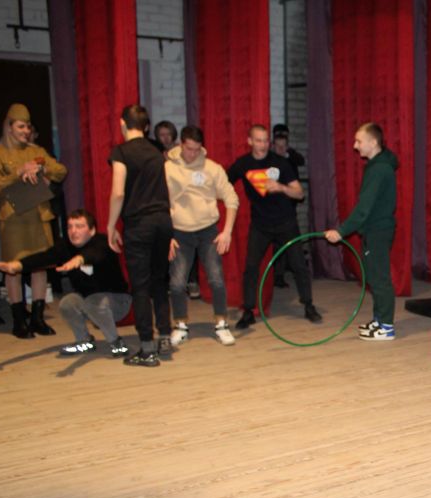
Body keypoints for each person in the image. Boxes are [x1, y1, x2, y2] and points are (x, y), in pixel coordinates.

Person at [0, 209, 130, 357]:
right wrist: (16, 265)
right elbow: (43, 258)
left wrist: (79, 260)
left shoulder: (102, 242)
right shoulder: (66, 247)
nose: (73, 231)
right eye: (70, 227)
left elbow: (95, 254)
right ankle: (84, 341)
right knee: (67, 303)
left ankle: (117, 343)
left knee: (93, 302)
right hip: (88, 300)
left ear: (92, 230)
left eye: (79, 226)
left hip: (118, 301)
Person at [228, 124, 321, 329]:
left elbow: (300, 193)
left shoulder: (280, 163)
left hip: (286, 222)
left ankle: (308, 305)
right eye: (258, 140)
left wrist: (280, 187)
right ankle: (248, 311)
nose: (263, 145)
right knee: (251, 267)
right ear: (250, 141)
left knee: (298, 265)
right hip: (260, 225)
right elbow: (224, 182)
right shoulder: (243, 164)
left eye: (265, 141)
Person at [107, 103, 176, 367]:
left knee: (140, 286)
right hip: (163, 221)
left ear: (122, 124)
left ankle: (147, 349)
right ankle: (165, 336)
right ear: (146, 127)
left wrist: (110, 225)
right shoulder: (157, 152)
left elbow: (118, 193)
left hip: (139, 224)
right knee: (159, 280)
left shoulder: (121, 152)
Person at [0, 103, 68, 338]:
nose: (26, 131)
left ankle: (37, 318)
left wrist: (42, 168)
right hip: (13, 219)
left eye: (28, 126)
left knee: (39, 266)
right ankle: (18, 320)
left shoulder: (36, 151)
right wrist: (18, 172)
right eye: (21, 126)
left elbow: (61, 171)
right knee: (13, 268)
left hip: (39, 216)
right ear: (9, 127)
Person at [165, 125, 239, 347]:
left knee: (216, 278)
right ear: (181, 145)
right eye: (189, 149)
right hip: (179, 232)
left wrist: (227, 231)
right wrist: (167, 235)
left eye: (197, 149)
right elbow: (160, 203)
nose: (193, 154)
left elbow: (231, 198)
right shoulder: (167, 168)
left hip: (208, 231)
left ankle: (221, 324)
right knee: (177, 283)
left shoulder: (212, 168)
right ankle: (180, 325)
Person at [325, 122, 399, 340]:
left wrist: (341, 231)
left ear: (373, 142)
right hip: (374, 229)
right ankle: (379, 320)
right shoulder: (377, 166)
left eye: (359, 141)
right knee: (374, 277)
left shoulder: (379, 169)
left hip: (378, 230)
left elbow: (364, 208)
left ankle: (386, 326)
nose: (355, 146)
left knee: (380, 278)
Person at [270, 126, 305, 289]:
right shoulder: (269, 159)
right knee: (276, 242)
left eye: (284, 145)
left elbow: (301, 160)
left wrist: (288, 152)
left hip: (289, 204)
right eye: (278, 146)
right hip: (273, 206)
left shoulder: (290, 157)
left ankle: (281, 274)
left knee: (288, 241)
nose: (281, 149)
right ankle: (276, 274)